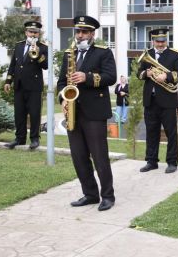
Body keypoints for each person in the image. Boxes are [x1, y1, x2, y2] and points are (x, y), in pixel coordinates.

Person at [57, 15, 117, 211]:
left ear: (92, 34)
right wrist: (63, 98)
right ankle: (90, 194)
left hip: (94, 112)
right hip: (73, 112)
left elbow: (111, 77)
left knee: (99, 156)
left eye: (84, 32)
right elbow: (61, 82)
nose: (80, 35)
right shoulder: (69, 53)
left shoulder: (103, 52)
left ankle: (107, 196)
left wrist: (87, 77)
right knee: (79, 156)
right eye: (78, 31)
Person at [138, 28, 178, 174]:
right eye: (157, 41)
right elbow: (138, 73)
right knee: (151, 132)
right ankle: (151, 161)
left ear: (166, 40)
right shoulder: (148, 55)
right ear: (153, 41)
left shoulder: (175, 55)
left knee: (171, 133)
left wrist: (167, 77)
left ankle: (172, 162)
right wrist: (146, 73)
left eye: (163, 41)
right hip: (150, 100)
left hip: (168, 101)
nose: (160, 44)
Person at [4, 21, 48, 150]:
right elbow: (13, 65)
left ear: (39, 34)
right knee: (19, 114)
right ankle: (19, 139)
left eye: (35, 32)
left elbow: (45, 66)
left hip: (34, 86)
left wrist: (38, 54)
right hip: (19, 85)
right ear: (26, 32)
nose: (33, 34)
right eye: (31, 32)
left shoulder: (43, 47)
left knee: (34, 114)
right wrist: (8, 81)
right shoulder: (18, 46)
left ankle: (34, 139)